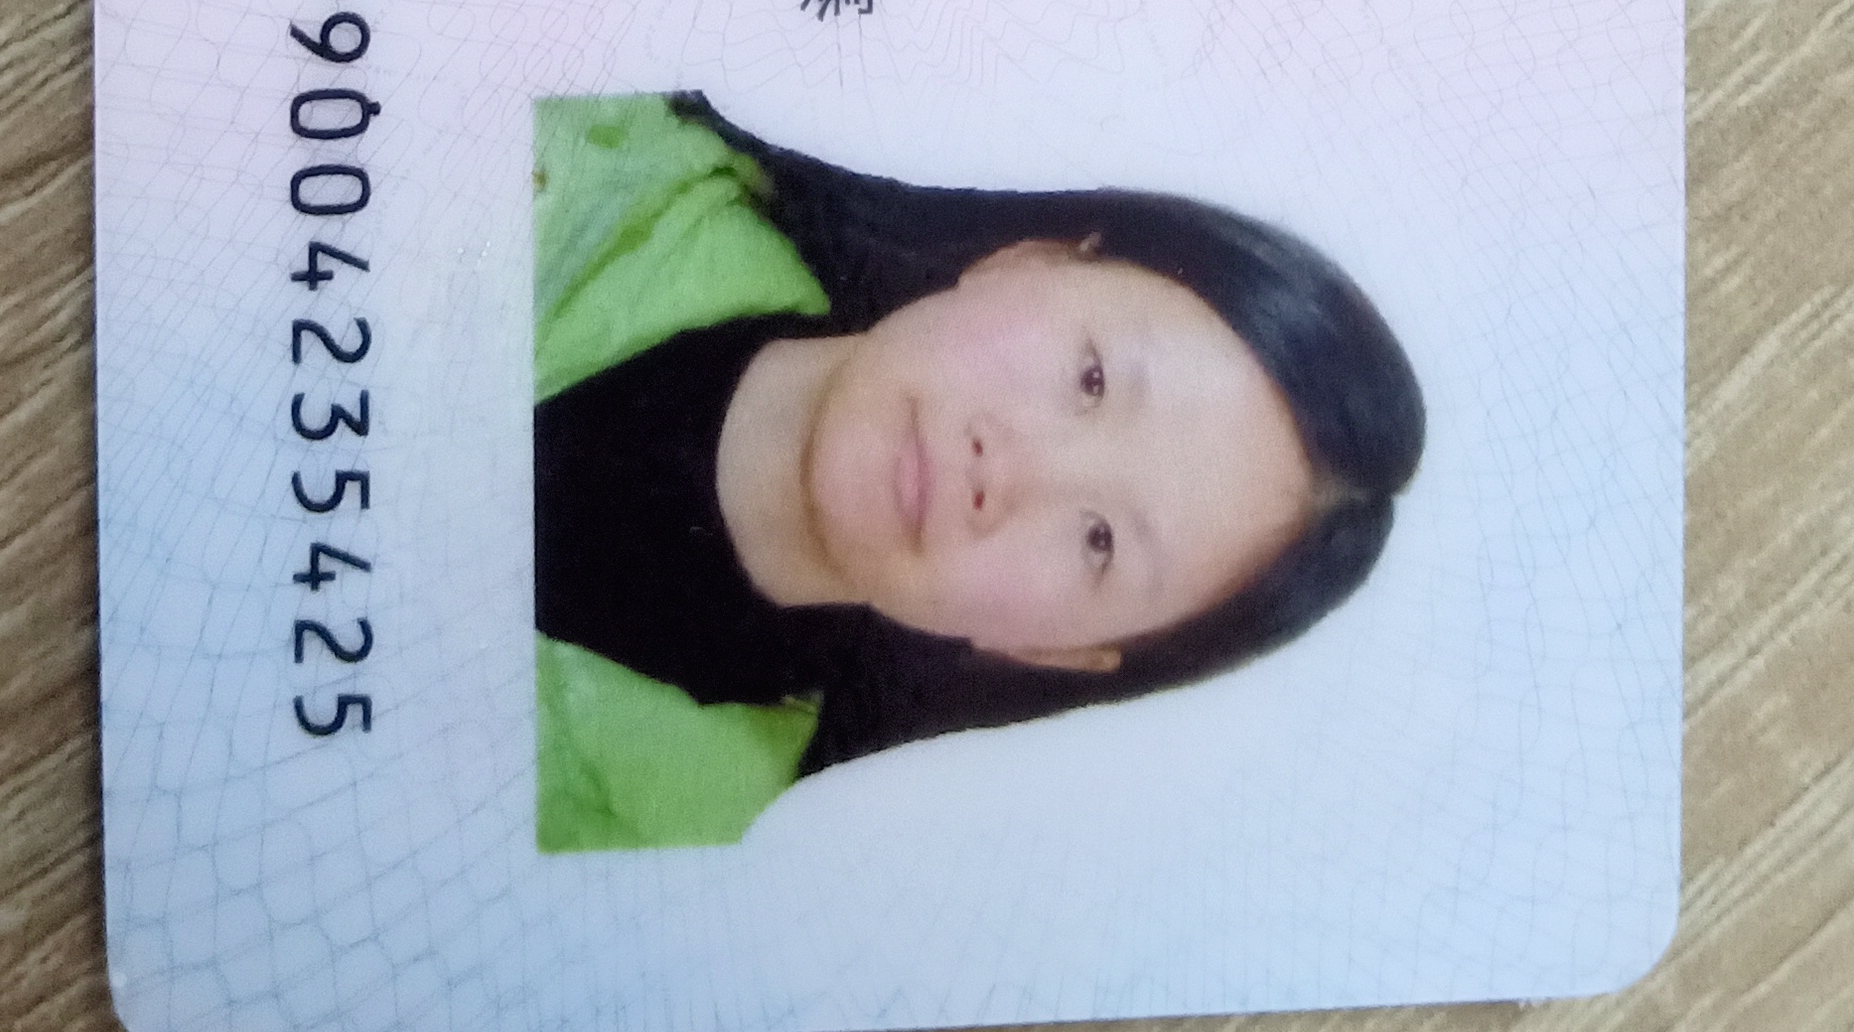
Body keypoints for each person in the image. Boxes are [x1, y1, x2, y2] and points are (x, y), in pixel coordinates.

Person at [534, 89, 1428, 851]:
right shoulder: (597, 128)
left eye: (1099, 541)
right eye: (1092, 379)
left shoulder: (698, 855)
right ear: (1029, 260)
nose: (1015, 473)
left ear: (1052, 651)